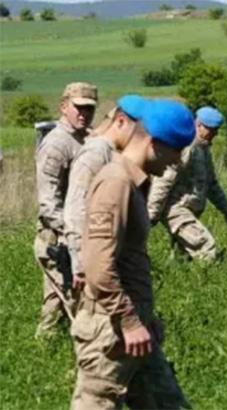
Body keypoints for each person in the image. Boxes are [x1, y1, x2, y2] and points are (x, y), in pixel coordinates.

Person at [71, 99, 195, 409]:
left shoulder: (135, 182)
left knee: (166, 402)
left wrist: (144, 318)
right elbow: (98, 266)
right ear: (153, 144)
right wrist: (129, 321)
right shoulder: (116, 182)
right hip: (109, 330)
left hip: (135, 324)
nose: (177, 162)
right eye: (175, 151)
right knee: (97, 402)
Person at [64, 95, 147, 297]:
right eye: (139, 132)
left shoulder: (113, 153)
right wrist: (81, 265)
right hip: (90, 260)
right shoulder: (96, 152)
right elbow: (76, 208)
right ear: (120, 121)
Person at [34, 82, 97, 338]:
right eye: (78, 108)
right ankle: (47, 352)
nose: (83, 114)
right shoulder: (57, 144)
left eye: (89, 109)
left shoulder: (87, 139)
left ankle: (52, 348)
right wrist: (73, 232)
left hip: (79, 235)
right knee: (66, 301)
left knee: (68, 300)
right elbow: (48, 203)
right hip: (58, 237)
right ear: (63, 107)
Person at [148, 106, 227, 261]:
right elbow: (164, 180)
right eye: (211, 129)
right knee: (205, 246)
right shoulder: (187, 147)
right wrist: (152, 213)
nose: (215, 133)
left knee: (183, 258)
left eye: (216, 130)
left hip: (189, 210)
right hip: (176, 210)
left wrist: (225, 208)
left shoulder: (203, 149)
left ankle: (182, 281)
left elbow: (211, 184)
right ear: (198, 125)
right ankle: (209, 282)